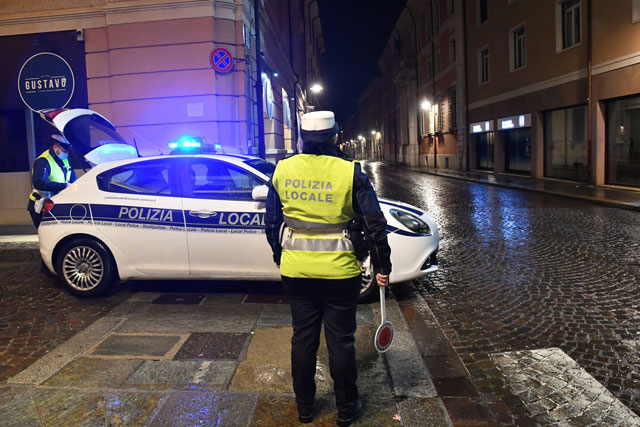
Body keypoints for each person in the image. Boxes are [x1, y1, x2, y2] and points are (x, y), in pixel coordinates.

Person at [265, 111, 392, 426]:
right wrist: (382, 265)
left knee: (303, 338)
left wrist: (278, 254)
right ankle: (347, 409)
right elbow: (375, 225)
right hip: (340, 273)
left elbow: (270, 222)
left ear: (302, 139)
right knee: (341, 340)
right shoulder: (350, 172)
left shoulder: (282, 169)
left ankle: (305, 408)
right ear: (335, 136)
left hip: (296, 271)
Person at [27, 134, 76, 228]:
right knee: (48, 236)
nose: (66, 154)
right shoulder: (43, 161)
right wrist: (64, 186)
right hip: (41, 206)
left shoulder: (64, 160)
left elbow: (72, 177)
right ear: (55, 147)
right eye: (64, 151)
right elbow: (39, 183)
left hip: (55, 204)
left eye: (68, 151)